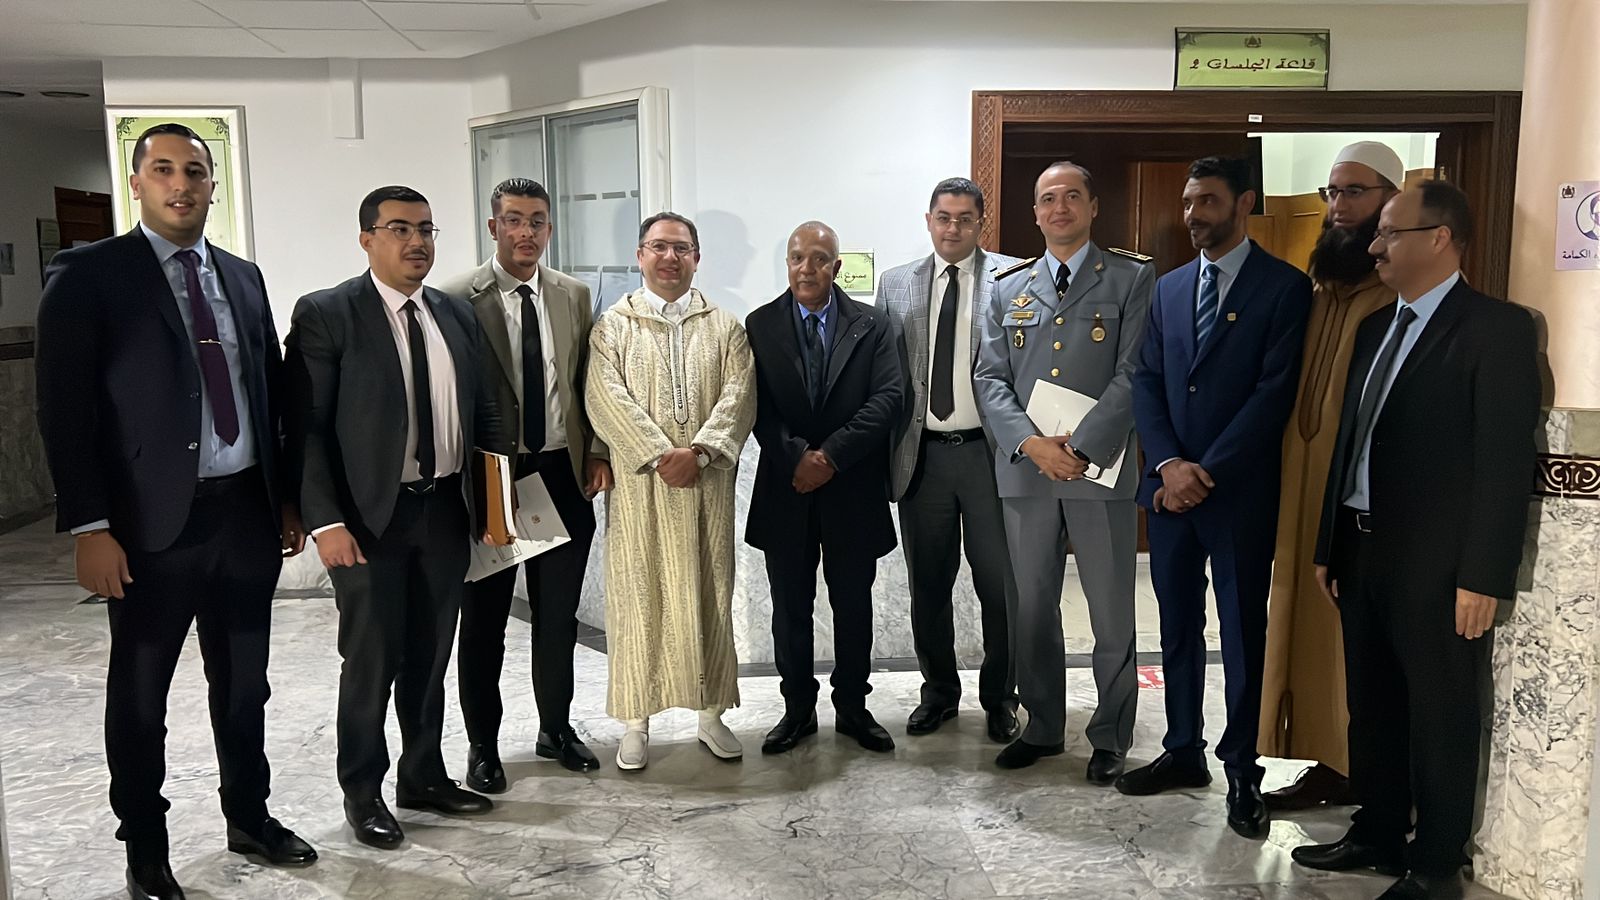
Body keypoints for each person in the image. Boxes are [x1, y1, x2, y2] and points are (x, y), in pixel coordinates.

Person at [35, 123, 316, 900]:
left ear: (212, 185)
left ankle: (249, 817)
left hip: (245, 517)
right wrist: (90, 526)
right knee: (140, 696)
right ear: (137, 182)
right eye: (163, 170)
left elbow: (267, 394)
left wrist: (285, 497)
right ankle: (145, 847)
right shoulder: (89, 273)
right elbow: (64, 410)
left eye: (195, 171)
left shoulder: (243, 276)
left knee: (245, 686)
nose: (180, 184)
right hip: (147, 529)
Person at [1292, 182, 1540, 900]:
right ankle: (1376, 830)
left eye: (1390, 233)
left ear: (1439, 239)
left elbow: (1504, 463)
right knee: (1373, 703)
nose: (1374, 246)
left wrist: (1483, 575)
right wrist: (1328, 544)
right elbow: (1351, 442)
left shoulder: (1495, 330)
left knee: (1440, 710)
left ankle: (1434, 862)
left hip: (1439, 562)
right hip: (1362, 547)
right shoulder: (1377, 327)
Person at [284, 185, 513, 850]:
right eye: (400, 229)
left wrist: (495, 503)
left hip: (443, 511)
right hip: (367, 522)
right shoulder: (329, 313)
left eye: (426, 230)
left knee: (430, 655)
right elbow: (306, 428)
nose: (417, 242)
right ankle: (363, 792)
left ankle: (423, 776)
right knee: (371, 661)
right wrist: (325, 522)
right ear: (367, 239)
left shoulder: (454, 313)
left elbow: (485, 409)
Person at [1122, 156, 1313, 840]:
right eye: (1187, 202)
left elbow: (1274, 393)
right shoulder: (1169, 288)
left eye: (1206, 201)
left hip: (1238, 496)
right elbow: (1147, 380)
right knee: (1176, 627)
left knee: (1241, 634)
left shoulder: (1285, 288)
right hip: (1171, 496)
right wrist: (1168, 465)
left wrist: (1205, 471)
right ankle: (1182, 749)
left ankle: (1242, 768)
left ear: (1244, 203)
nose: (1193, 214)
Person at [973, 161, 1153, 776]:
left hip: (1099, 471)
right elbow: (989, 377)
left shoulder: (1130, 277)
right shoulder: (1007, 288)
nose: (1059, 208)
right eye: (1048, 199)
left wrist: (1083, 447)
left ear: (1092, 206)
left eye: (1072, 196)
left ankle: (1110, 735)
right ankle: (1044, 725)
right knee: (1032, 609)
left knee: (1110, 612)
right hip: (1028, 473)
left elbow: (1134, 371)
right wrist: (1031, 444)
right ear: (1035, 213)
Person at [435, 178, 613, 784]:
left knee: (557, 616)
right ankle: (482, 745)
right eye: (513, 220)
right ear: (493, 227)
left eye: (537, 220)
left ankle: (555, 728)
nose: (526, 232)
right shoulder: (455, 296)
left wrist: (598, 452)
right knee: (484, 621)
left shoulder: (573, 294)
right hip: (493, 475)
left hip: (562, 473)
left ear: (549, 229)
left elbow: (589, 383)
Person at [1259, 142, 1404, 811]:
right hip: (1300, 491)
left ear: (1391, 201)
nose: (1339, 207)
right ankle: (1324, 759)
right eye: (1332, 193)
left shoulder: (1397, 297)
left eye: (1355, 192)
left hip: (1359, 501)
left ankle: (1364, 768)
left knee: (1348, 633)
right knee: (1300, 621)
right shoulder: (1317, 290)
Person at [584, 212, 756, 771]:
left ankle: (711, 714)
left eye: (681, 248)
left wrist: (699, 452)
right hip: (642, 493)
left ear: (697, 258)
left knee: (710, 595)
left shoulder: (725, 327)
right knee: (640, 600)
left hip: (706, 489)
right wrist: (661, 454)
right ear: (640, 256)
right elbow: (604, 397)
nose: (669, 258)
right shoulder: (613, 326)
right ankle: (636, 722)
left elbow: (740, 396)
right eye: (658, 247)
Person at [746, 221, 904, 755]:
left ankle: (854, 708)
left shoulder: (873, 324)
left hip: (851, 488)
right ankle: (797, 711)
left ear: (836, 267)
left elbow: (888, 399)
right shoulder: (760, 324)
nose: (806, 268)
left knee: (853, 606)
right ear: (787, 263)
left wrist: (830, 457)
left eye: (818, 259)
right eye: (797, 258)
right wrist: (798, 457)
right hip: (786, 487)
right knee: (790, 608)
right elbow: (757, 406)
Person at [879, 178, 1021, 743]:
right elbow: (885, 374)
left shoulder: (1012, 277)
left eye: (965, 218)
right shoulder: (896, 284)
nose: (953, 227)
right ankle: (938, 692)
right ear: (929, 220)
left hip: (990, 457)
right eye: (944, 217)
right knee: (929, 585)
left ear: (980, 222)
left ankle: (1001, 698)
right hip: (923, 459)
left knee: (999, 587)